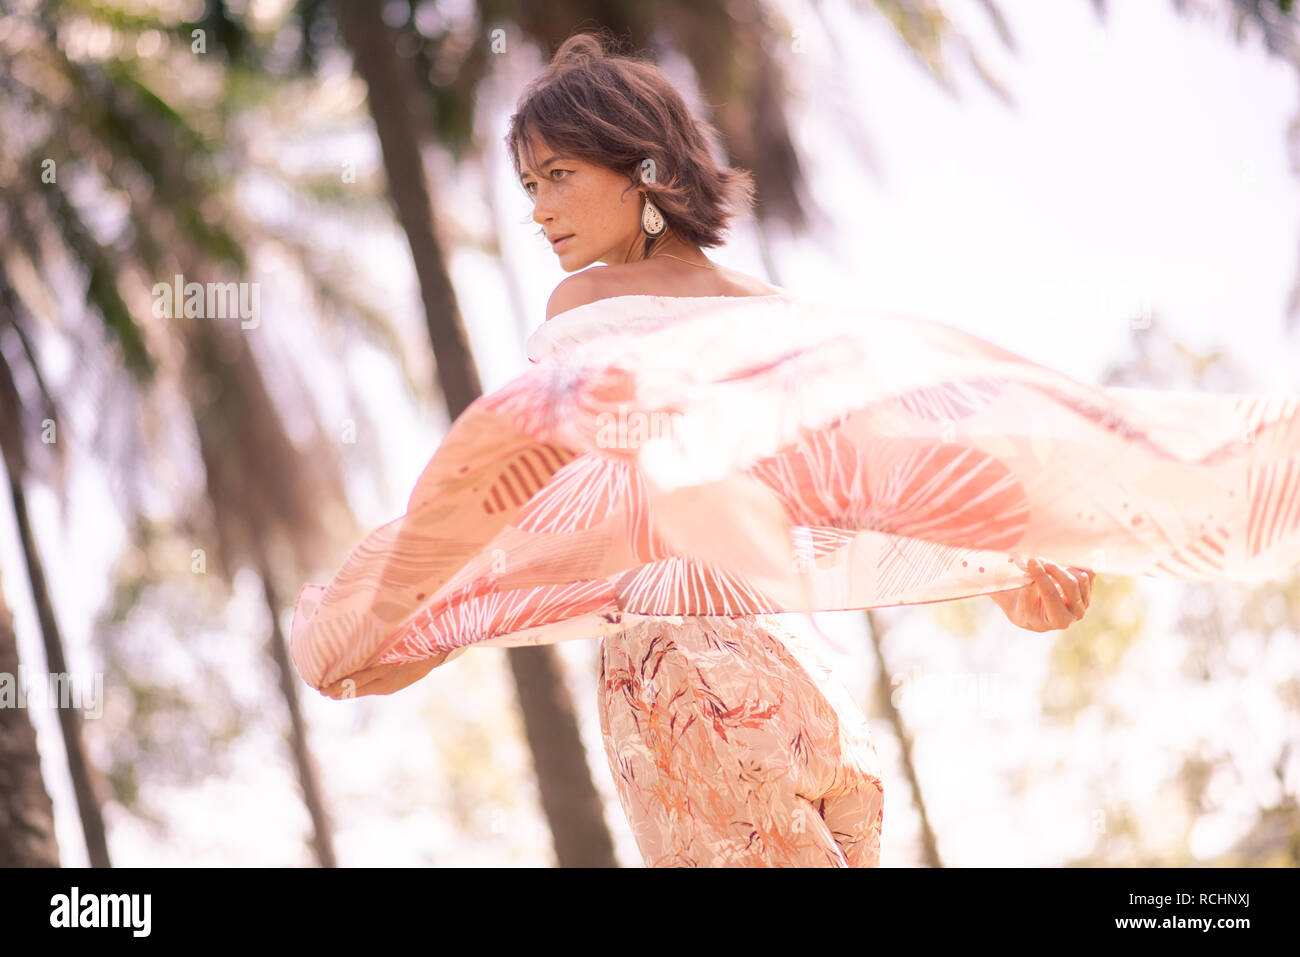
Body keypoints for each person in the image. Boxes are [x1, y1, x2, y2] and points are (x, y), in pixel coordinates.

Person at [314, 31, 1097, 867]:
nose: (538, 209)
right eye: (530, 186)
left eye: (560, 176)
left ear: (643, 169)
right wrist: (1007, 569)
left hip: (684, 686)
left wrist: (422, 615)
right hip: (807, 692)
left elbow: (553, 507)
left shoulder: (587, 303)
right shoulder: (770, 311)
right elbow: (866, 473)